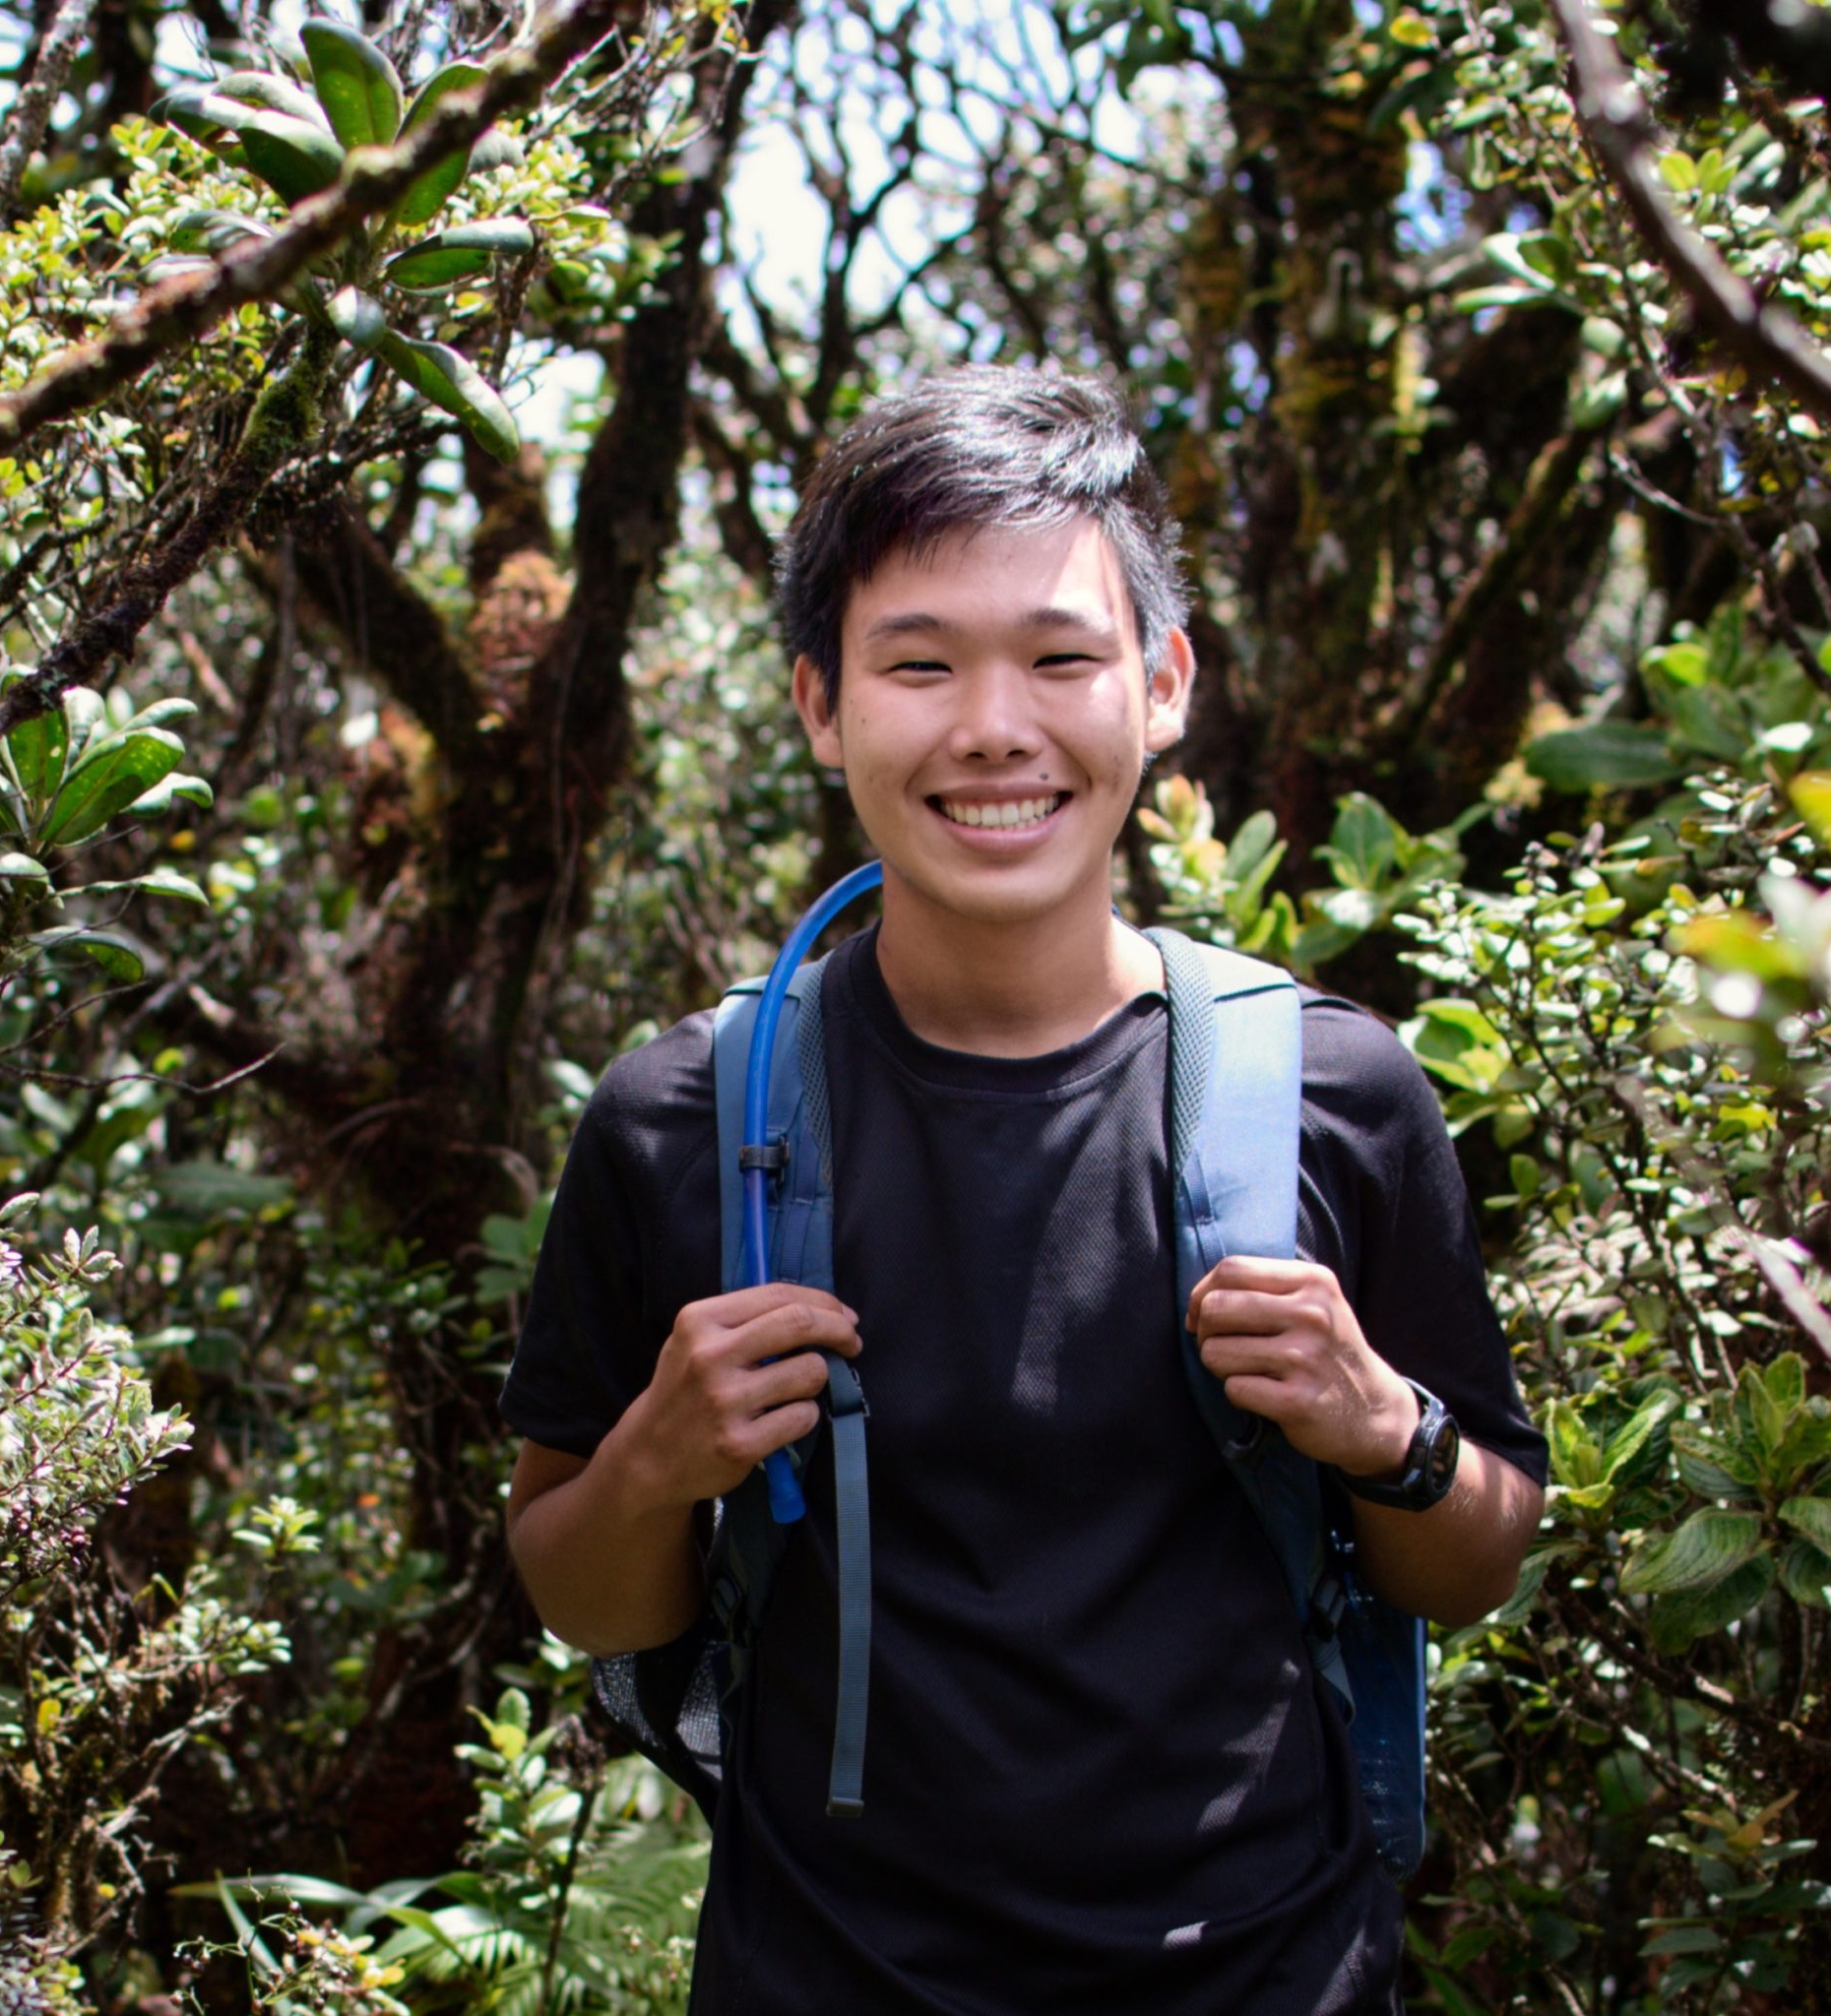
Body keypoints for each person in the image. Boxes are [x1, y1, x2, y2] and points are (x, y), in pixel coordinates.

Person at [501, 367, 1547, 2014]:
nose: (994, 728)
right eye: (919, 664)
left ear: (1162, 684)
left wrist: (1383, 1429)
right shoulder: (687, 1116)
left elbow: (1477, 1557)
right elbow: (575, 1586)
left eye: (1061, 658)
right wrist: (656, 1461)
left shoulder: (1330, 1091)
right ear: (821, 705)